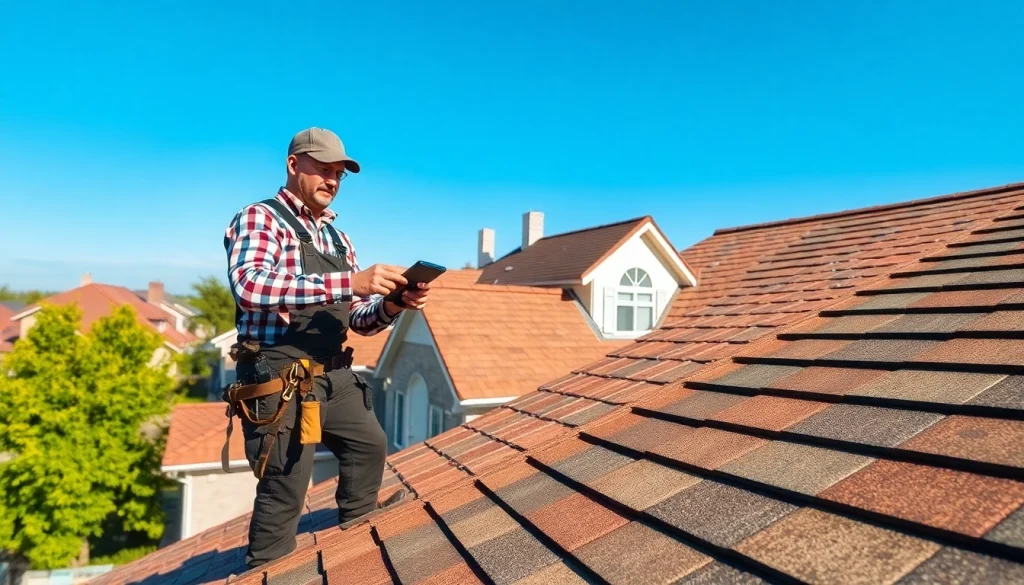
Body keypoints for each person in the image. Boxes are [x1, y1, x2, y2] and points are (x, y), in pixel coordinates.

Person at [221, 127, 428, 568]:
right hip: (277, 377)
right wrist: (349, 282)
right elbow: (249, 285)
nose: (332, 181)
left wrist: (391, 304)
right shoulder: (261, 218)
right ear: (294, 165)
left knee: (369, 446)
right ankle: (267, 570)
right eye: (323, 169)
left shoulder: (339, 239)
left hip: (331, 374)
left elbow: (357, 318)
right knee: (286, 484)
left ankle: (358, 541)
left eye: (339, 174)